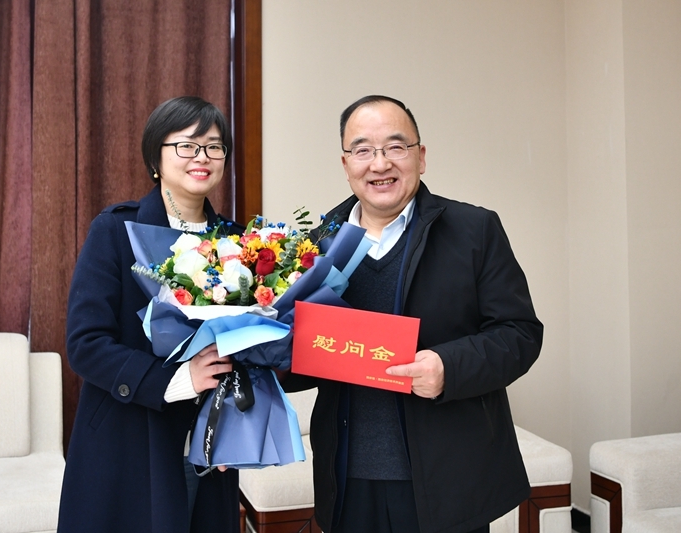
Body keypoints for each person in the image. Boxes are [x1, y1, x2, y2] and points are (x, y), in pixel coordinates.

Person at [288, 95, 543, 533]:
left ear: (420, 157)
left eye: (395, 146)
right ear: (346, 164)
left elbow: (520, 334)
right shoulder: (316, 244)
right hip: (347, 480)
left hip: (446, 480)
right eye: (363, 150)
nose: (380, 163)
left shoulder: (474, 230)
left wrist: (448, 367)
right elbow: (308, 355)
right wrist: (259, 352)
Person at [57, 96, 242, 533]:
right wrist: (177, 379)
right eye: (187, 145)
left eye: (214, 147)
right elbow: (86, 344)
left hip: (210, 444)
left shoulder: (239, 243)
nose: (202, 157)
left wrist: (241, 418)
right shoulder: (116, 230)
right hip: (128, 442)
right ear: (155, 158)